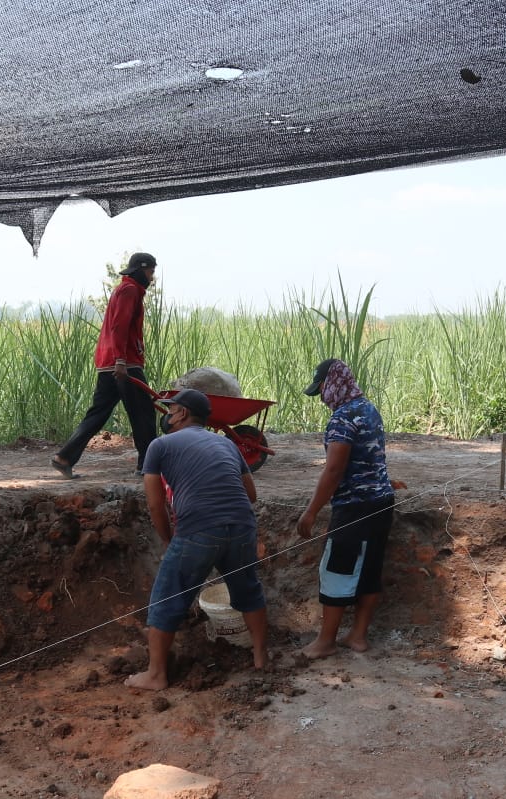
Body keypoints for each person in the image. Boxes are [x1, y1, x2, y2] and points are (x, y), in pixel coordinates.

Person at [127, 389, 268, 691]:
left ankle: (155, 675)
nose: (167, 414)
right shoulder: (227, 444)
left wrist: (169, 540)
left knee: (166, 598)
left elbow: (154, 505)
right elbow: (251, 495)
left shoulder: (159, 445)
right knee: (248, 590)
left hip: (199, 528)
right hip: (242, 525)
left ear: (182, 414)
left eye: (171, 409)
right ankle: (260, 657)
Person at [296, 358, 396, 658]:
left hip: (354, 507)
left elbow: (334, 469)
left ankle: (325, 641)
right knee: (369, 569)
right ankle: (357, 636)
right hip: (381, 502)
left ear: (332, 384)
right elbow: (371, 456)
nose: (323, 397)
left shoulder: (342, 418)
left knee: (337, 569)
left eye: (323, 389)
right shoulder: (368, 408)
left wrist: (311, 511)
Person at [52, 252, 160, 479]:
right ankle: (148, 465)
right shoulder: (130, 290)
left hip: (109, 363)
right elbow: (119, 327)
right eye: (150, 272)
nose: (151, 278)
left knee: (98, 414)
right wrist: (120, 360)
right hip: (124, 363)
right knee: (143, 414)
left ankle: (65, 458)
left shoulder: (125, 290)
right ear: (141, 270)